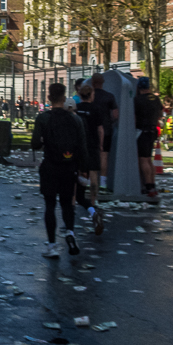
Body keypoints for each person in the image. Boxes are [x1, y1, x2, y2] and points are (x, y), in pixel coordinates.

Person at [31, 82, 88, 258]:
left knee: (49, 204)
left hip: (50, 165)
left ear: (49, 98)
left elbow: (34, 144)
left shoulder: (43, 118)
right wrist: (83, 169)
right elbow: (82, 146)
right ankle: (70, 233)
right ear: (64, 98)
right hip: (68, 166)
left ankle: (52, 245)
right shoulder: (75, 119)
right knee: (66, 204)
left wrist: (43, 141)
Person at [73, 84, 105, 234]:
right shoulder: (96, 109)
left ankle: (73, 200)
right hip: (92, 146)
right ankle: (93, 201)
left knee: (75, 174)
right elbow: (100, 129)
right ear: (91, 94)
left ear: (80, 94)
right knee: (93, 174)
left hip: (79, 146)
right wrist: (100, 144)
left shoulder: (76, 108)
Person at [133, 77, 164, 199]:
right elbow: (160, 114)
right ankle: (153, 185)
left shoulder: (137, 100)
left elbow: (134, 118)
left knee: (143, 159)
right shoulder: (156, 99)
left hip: (142, 131)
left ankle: (148, 186)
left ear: (139, 87)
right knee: (149, 158)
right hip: (152, 130)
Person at [90, 73, 119, 191]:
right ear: (103, 82)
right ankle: (103, 183)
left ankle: (90, 182)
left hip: (91, 129)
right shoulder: (109, 96)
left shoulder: (90, 96)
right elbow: (116, 114)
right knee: (104, 156)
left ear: (92, 83)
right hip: (106, 129)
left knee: (91, 155)